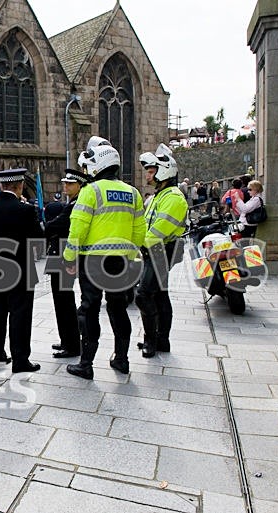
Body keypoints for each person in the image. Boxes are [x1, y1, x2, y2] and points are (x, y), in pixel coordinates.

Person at [63, 137, 145, 380]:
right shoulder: (133, 193)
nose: (86, 172)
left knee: (89, 309)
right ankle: (121, 359)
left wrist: (69, 258)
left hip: (92, 261)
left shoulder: (90, 191)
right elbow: (139, 232)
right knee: (118, 308)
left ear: (98, 165)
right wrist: (128, 255)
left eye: (87, 167)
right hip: (120, 262)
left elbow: (77, 230)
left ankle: (86, 364)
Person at [0, 168, 43, 373]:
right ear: (20, 186)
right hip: (20, 270)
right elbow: (39, 238)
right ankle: (20, 360)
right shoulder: (25, 209)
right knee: (20, 315)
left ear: (1, 185)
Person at [135, 146, 188, 358]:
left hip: (161, 251)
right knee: (159, 296)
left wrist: (135, 246)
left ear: (164, 171)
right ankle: (161, 340)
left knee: (143, 295)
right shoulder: (160, 196)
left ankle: (152, 341)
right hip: (156, 251)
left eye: (151, 171)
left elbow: (155, 233)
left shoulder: (173, 198)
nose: (147, 175)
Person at [46, 170, 89, 359]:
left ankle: (72, 345)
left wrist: (42, 228)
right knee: (61, 301)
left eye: (70, 184)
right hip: (60, 254)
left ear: (79, 186)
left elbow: (58, 225)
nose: (65, 186)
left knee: (64, 302)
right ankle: (67, 340)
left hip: (64, 257)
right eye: (65, 183)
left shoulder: (76, 205)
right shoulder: (71, 203)